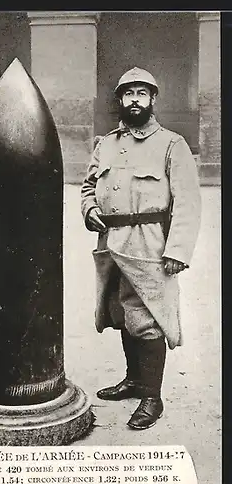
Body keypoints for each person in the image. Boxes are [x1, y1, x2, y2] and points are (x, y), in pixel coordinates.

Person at [80, 67, 201, 430]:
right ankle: (134, 380)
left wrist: (178, 249)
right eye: (128, 93)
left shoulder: (171, 144)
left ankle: (152, 396)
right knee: (121, 315)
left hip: (149, 244)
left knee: (148, 319)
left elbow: (189, 202)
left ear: (153, 100)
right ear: (119, 100)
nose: (134, 99)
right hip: (111, 244)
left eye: (142, 93)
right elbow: (88, 186)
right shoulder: (106, 144)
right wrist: (89, 210)